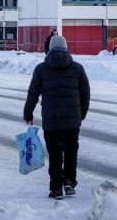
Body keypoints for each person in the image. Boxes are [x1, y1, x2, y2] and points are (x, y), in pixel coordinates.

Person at [24, 35, 90, 200]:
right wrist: (81, 115)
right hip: (72, 120)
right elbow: (85, 94)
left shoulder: (41, 69)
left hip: (51, 121)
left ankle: (56, 189)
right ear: (66, 48)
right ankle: (69, 182)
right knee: (71, 152)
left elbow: (33, 93)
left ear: (49, 49)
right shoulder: (77, 68)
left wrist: (28, 113)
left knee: (55, 155)